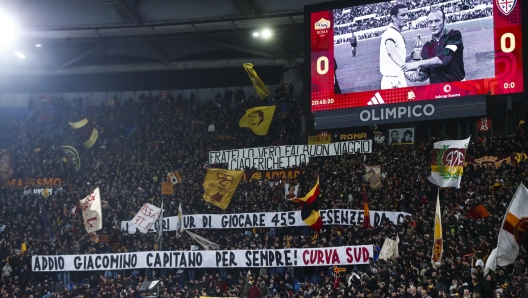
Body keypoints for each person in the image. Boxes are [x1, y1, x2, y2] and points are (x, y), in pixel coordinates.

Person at [402, 9, 465, 84]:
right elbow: (425, 73)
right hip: (437, 90)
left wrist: (418, 63)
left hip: (458, 86)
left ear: (444, 21)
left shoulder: (454, 35)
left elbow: (444, 58)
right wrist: (416, 77)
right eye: (430, 22)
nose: (433, 25)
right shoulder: (426, 47)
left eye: (437, 21)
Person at [380, 4, 412, 89]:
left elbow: (396, 59)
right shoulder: (390, 32)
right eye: (402, 15)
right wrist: (406, 68)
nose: (406, 17)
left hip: (397, 79)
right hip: (393, 82)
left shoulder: (396, 33)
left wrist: (411, 57)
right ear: (394, 18)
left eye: (407, 14)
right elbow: (391, 51)